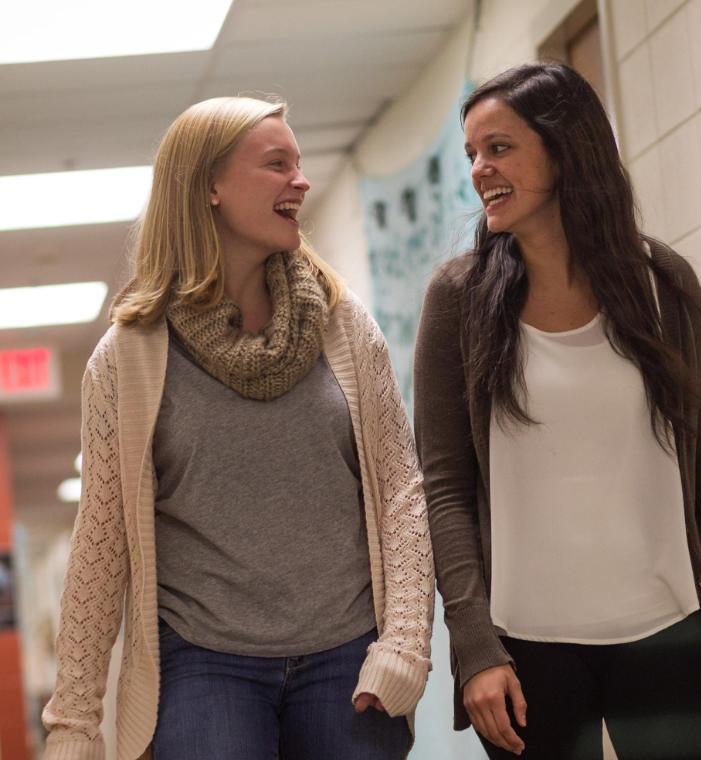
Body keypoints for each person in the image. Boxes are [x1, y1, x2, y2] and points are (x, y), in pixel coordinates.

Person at [43, 95, 434, 760]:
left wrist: (405, 643)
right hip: (203, 661)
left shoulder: (344, 326)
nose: (300, 181)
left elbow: (402, 490)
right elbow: (100, 541)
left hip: (345, 650)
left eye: (300, 164)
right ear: (211, 188)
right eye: (277, 165)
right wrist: (74, 726)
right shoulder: (130, 356)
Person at [414, 62, 701, 760]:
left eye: (499, 147)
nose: (480, 169)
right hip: (526, 653)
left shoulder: (663, 284)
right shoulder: (459, 299)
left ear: (566, 147)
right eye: (472, 154)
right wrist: (476, 649)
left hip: (671, 633)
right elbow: (444, 488)